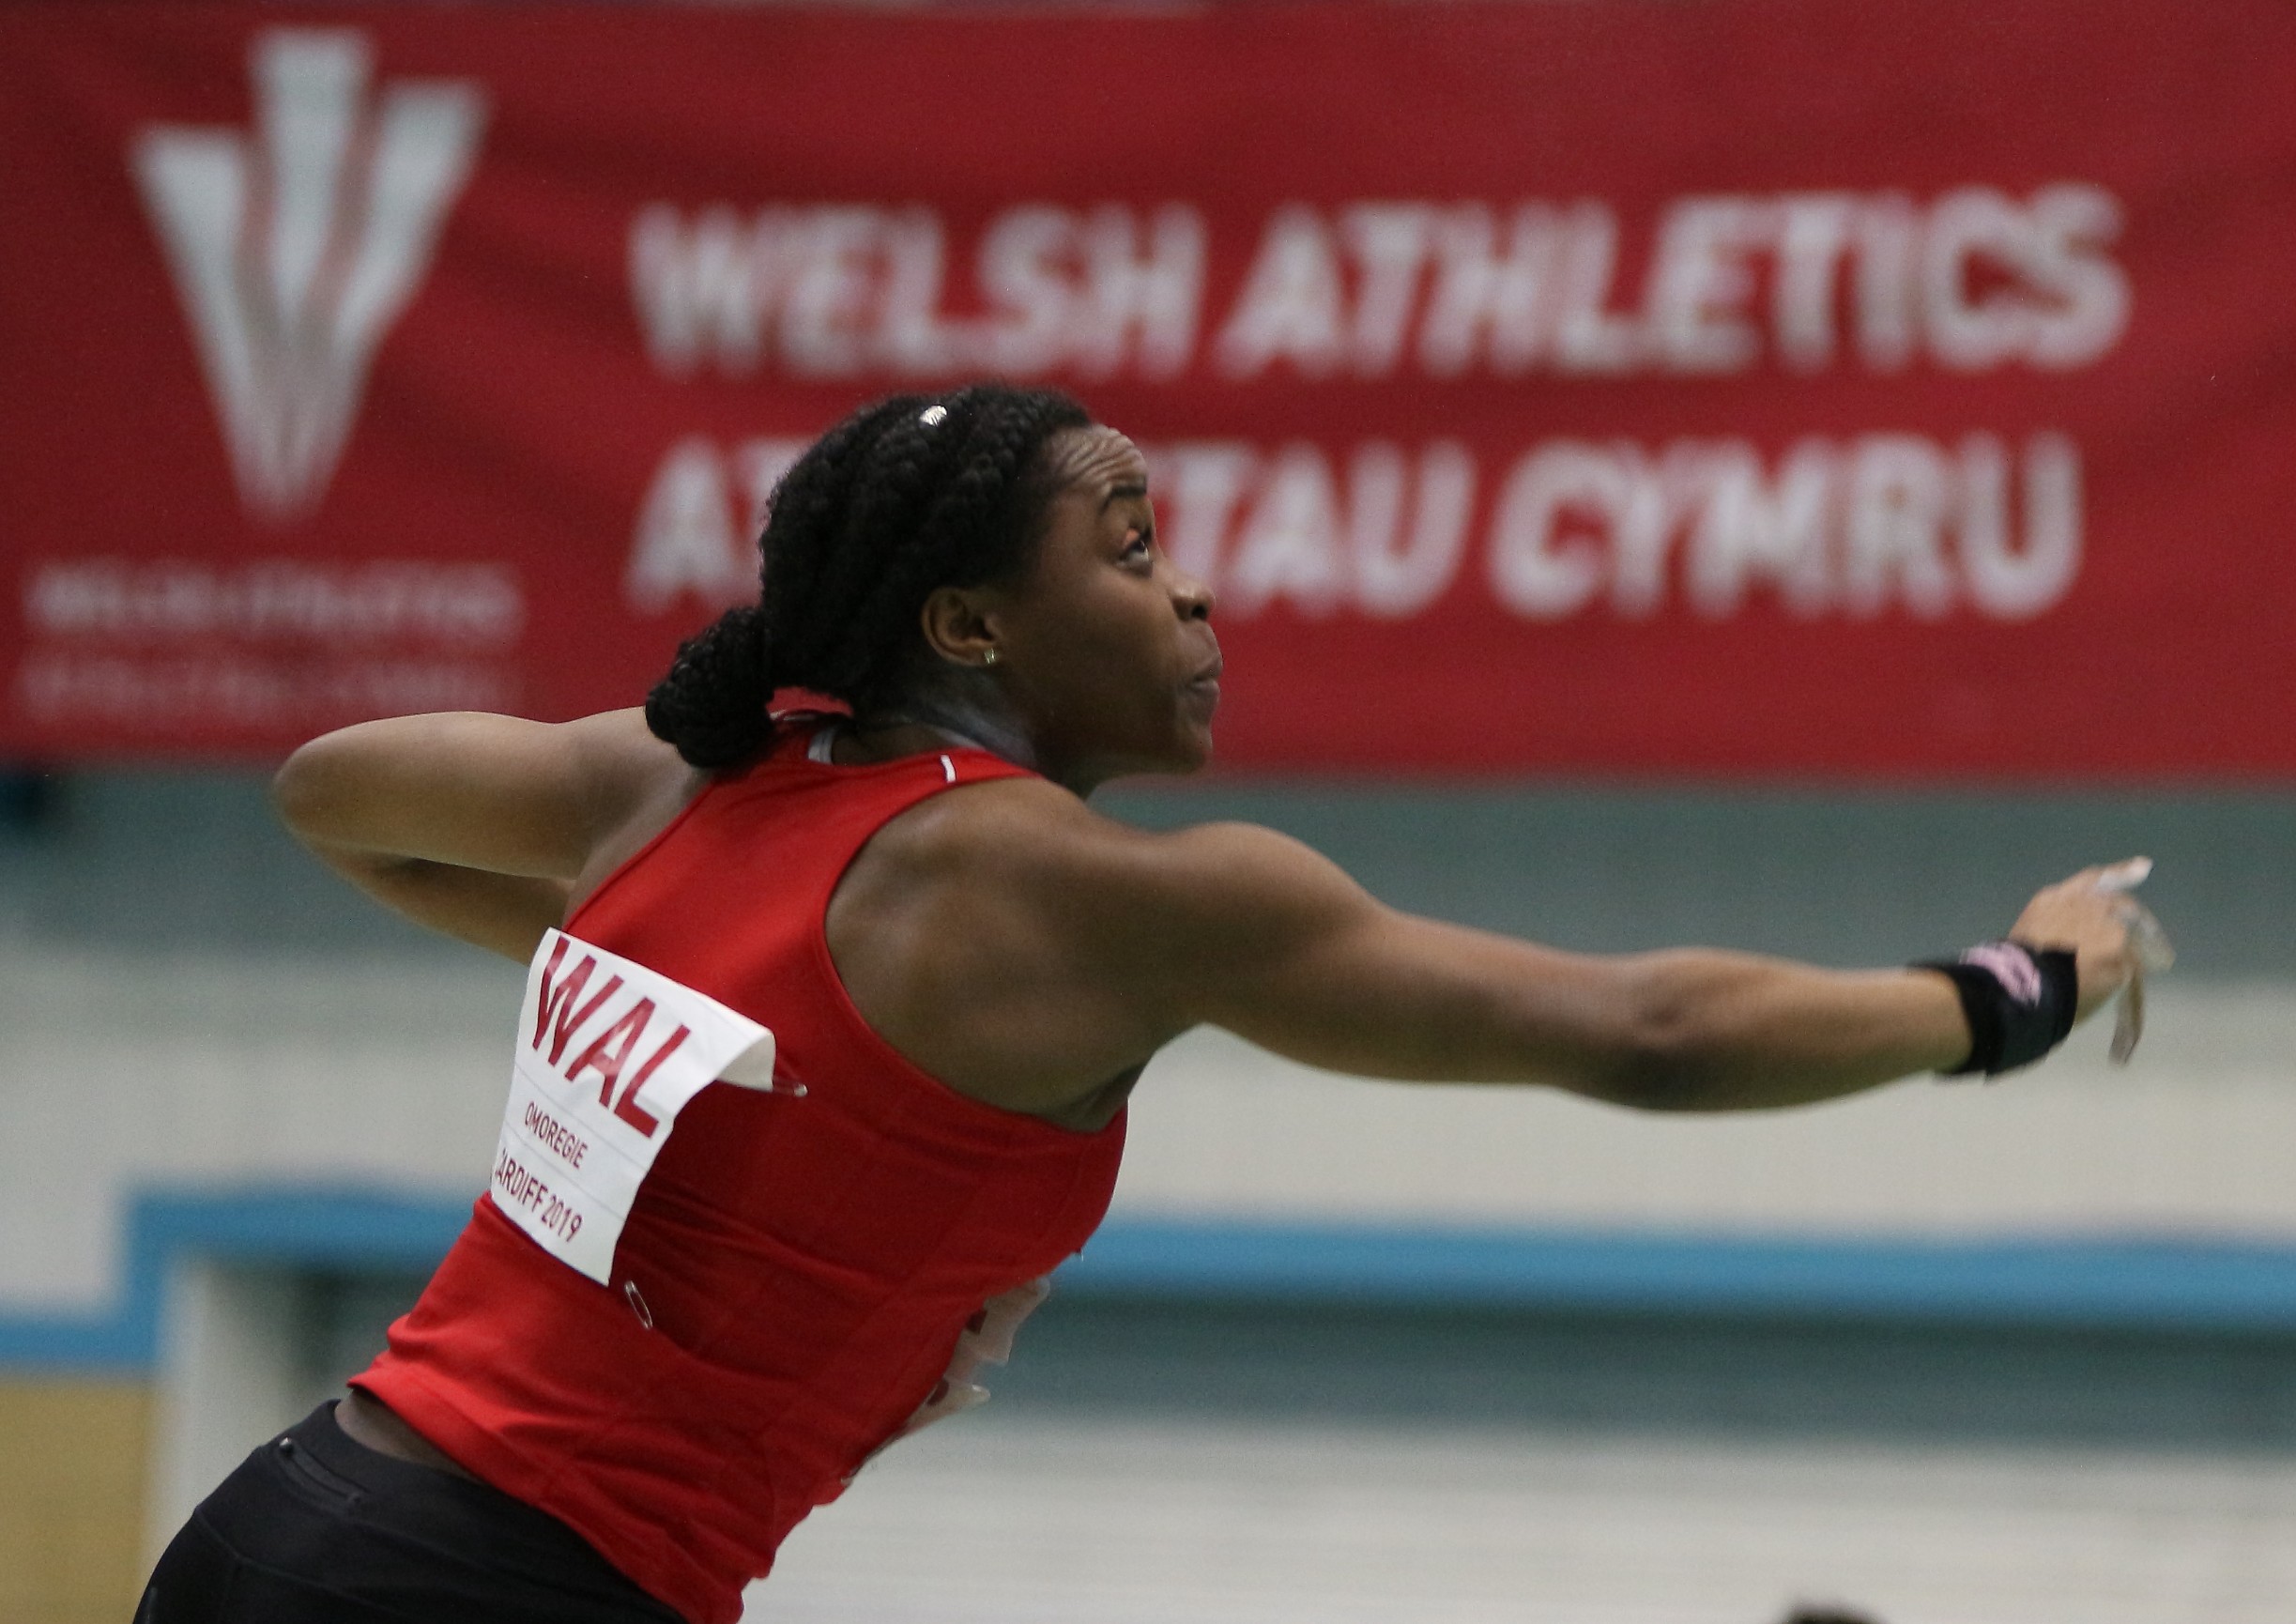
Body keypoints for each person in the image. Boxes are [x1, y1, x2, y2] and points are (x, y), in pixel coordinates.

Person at [138, 384, 2160, 1624]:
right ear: (965, 625)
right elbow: (1637, 1031)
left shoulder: (669, 784)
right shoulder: (1097, 900)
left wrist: (739, 1056)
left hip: (283, 1520)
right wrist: (2008, 986)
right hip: (506, 1590)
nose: (1192, 594)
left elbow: (337, 794)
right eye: (1129, 547)